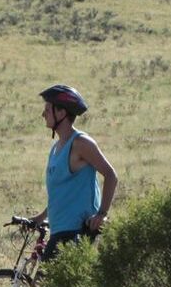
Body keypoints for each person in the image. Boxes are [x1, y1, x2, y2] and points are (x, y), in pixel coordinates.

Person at [30, 84, 118, 261]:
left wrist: (101, 214)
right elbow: (61, 194)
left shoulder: (81, 143)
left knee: (47, 278)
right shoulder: (56, 148)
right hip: (60, 230)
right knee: (44, 277)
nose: (43, 114)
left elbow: (111, 175)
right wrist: (40, 217)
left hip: (77, 232)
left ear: (61, 113)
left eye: (47, 110)